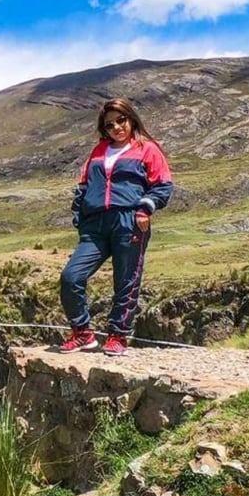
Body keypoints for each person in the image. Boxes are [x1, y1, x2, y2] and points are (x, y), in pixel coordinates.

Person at [57, 98, 173, 357]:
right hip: (95, 225)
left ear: (131, 119)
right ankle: (82, 333)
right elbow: (84, 186)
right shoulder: (99, 151)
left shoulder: (147, 149)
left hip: (129, 221)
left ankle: (118, 336)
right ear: (104, 129)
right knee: (71, 277)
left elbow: (163, 185)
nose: (117, 127)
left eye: (121, 120)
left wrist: (145, 208)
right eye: (110, 125)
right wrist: (80, 217)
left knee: (126, 281)